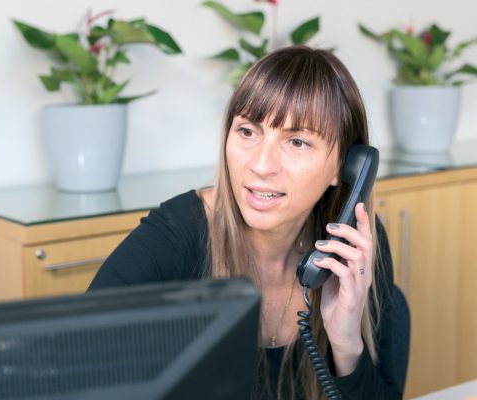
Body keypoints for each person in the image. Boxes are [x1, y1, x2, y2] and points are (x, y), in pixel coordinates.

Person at [88, 46, 408, 399]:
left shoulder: (350, 248)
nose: (261, 164)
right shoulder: (176, 235)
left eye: (297, 142)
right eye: (248, 132)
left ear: (345, 168)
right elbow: (76, 364)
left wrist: (346, 343)